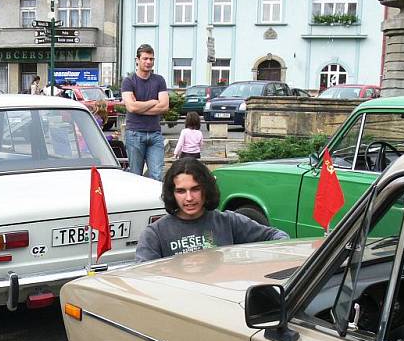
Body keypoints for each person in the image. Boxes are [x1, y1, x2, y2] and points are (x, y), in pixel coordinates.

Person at [136, 158, 289, 261]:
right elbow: (141, 276)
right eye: (181, 191)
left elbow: (278, 237)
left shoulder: (228, 221)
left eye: (195, 189)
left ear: (206, 189)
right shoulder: (155, 234)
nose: (189, 198)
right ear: (172, 193)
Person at [121, 44, 169, 181]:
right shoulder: (129, 81)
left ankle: (157, 203)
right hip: (135, 134)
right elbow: (131, 108)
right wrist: (153, 102)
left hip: (155, 134)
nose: (148, 62)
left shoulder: (159, 80)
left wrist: (140, 107)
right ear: (137, 60)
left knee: (157, 175)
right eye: (145, 58)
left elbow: (165, 106)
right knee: (136, 176)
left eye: (151, 59)